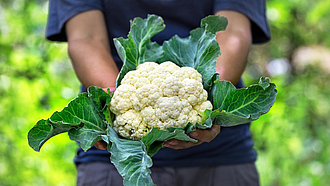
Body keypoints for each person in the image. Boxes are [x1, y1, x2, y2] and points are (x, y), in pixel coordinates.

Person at [46, 0, 270, 185]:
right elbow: (85, 38)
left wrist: (208, 102)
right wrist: (113, 100)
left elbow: (233, 32)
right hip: (117, 162)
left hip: (220, 158)